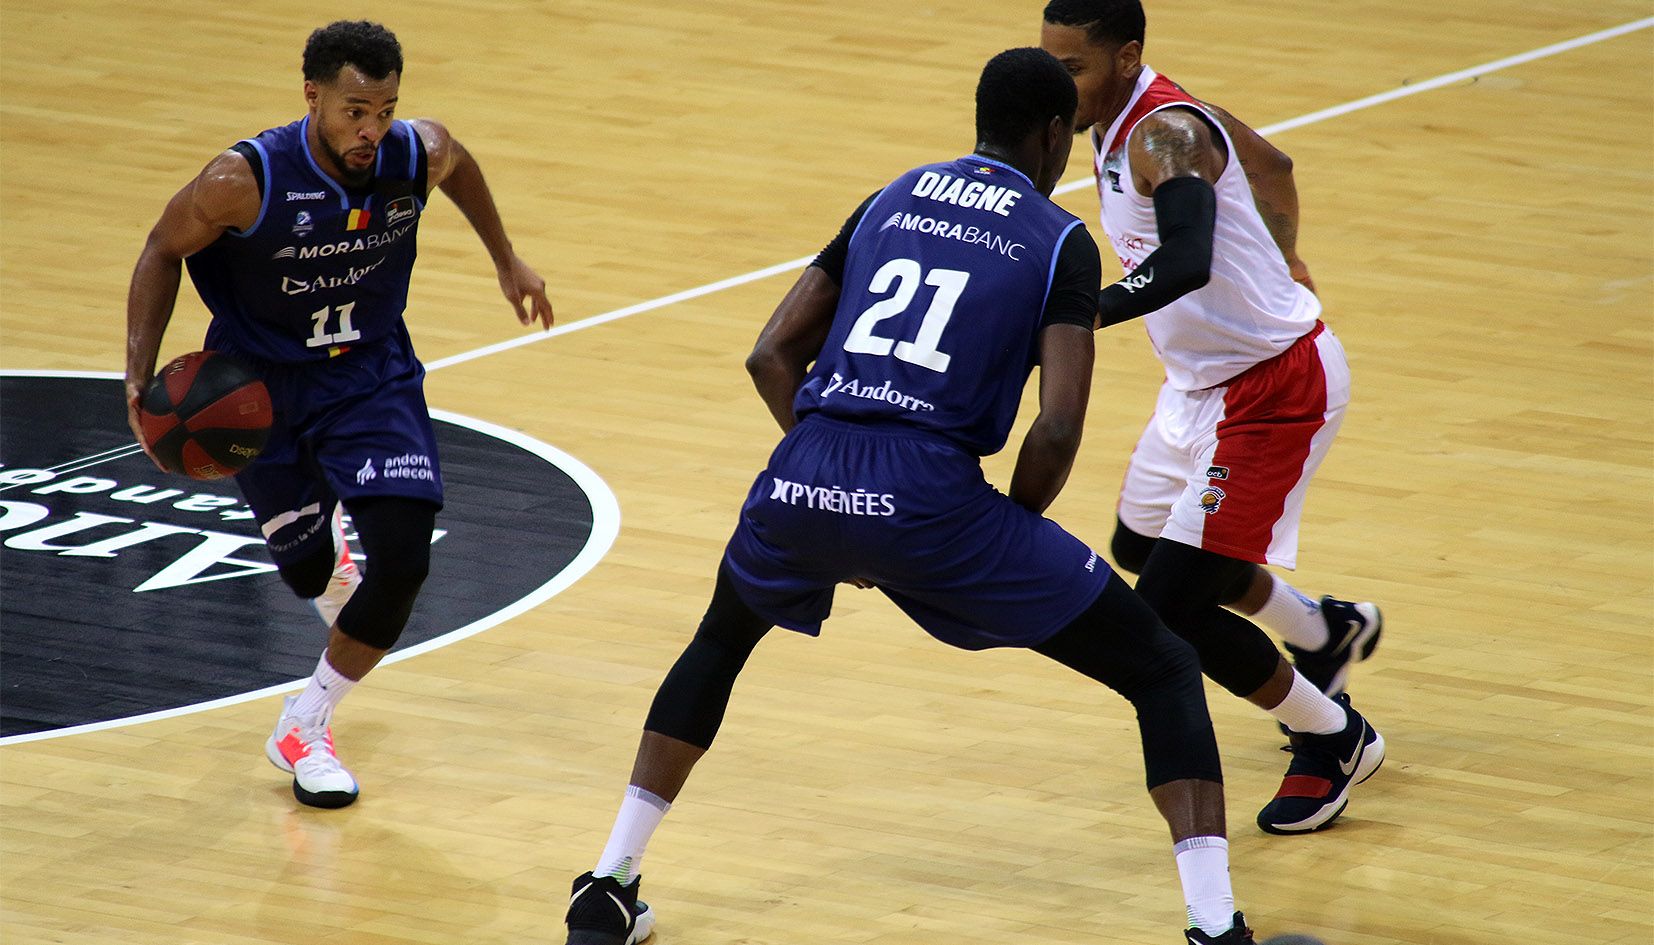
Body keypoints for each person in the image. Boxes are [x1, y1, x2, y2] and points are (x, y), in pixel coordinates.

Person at [565, 48, 1258, 945]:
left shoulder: (889, 196)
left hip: (805, 469)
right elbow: (1056, 426)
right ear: (1056, 134)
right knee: (1160, 665)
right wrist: (1004, 526)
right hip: (934, 500)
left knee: (719, 642)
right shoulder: (1059, 238)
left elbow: (770, 354)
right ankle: (1214, 924)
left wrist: (834, 483)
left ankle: (609, 882)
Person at [123, 20, 553, 809]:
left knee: (406, 560)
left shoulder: (415, 152)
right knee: (308, 573)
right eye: (355, 111)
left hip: (369, 376)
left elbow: (458, 164)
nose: (371, 130)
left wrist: (507, 258)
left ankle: (305, 722)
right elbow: (161, 248)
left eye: (385, 111)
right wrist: (136, 378)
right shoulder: (242, 180)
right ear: (313, 97)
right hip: (259, 393)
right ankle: (325, 548)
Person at [1039, 0, 1385, 835]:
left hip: (1274, 390)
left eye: (1073, 67)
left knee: (1169, 608)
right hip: (1195, 386)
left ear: (1126, 57)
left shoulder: (1167, 132)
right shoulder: (1129, 111)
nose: (1058, 83)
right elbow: (1273, 163)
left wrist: (1083, 311)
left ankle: (1333, 738)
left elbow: (1188, 259)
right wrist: (1287, 254)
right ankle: (1321, 631)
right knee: (1142, 548)